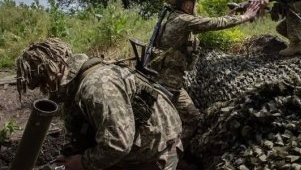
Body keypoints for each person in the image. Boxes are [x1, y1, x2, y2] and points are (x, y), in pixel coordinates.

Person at [15, 38, 183, 170]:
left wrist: (82, 163)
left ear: (55, 68)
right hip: (131, 150)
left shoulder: (97, 87)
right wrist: (71, 153)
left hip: (155, 152)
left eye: (43, 81)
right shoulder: (76, 84)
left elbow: (118, 144)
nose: (45, 89)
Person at [149, 0, 261, 135]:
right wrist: (245, 16)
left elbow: (210, 21)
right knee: (193, 119)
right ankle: (171, 150)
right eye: (194, 2)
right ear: (187, 4)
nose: (196, 6)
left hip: (167, 81)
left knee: (185, 118)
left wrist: (233, 14)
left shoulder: (175, 17)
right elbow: (213, 24)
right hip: (168, 84)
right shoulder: (183, 20)